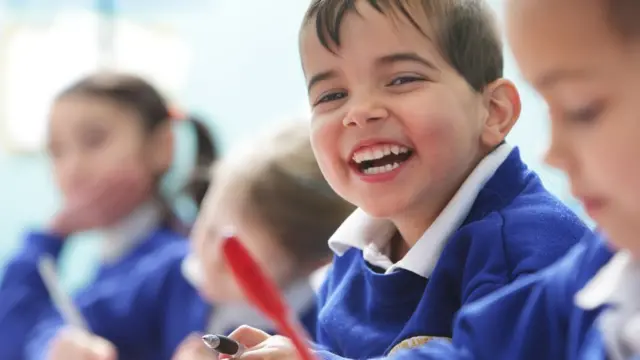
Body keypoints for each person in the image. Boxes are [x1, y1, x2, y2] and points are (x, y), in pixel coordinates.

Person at [223, 0, 593, 359]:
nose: (360, 112)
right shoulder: (350, 261)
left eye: (401, 79)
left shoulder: (529, 250)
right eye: (332, 95)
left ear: (494, 111)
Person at [379, 0, 640, 359]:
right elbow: (478, 351)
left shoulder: (526, 243)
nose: (551, 153)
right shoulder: (603, 263)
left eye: (582, 109)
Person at [38, 121, 355, 360]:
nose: (208, 260)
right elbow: (57, 323)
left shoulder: (327, 329)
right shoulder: (170, 276)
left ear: (313, 264)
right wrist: (59, 347)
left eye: (237, 261)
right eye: (209, 230)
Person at [0, 72, 218, 360]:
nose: (72, 168)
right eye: (56, 151)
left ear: (161, 146)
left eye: (94, 140)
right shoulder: (107, 269)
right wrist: (52, 234)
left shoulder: (184, 265)